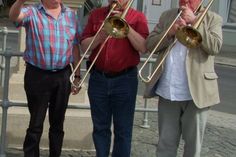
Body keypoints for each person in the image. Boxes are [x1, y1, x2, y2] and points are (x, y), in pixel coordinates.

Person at [144, 0, 223, 156]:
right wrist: (169, 32)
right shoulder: (167, 16)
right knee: (165, 144)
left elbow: (215, 47)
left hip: (196, 94)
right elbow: (150, 45)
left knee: (192, 147)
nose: (185, 1)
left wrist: (195, 22)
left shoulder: (213, 18)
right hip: (168, 91)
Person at [9, 0, 81, 156]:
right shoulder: (32, 11)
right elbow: (14, 16)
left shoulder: (70, 15)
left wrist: (77, 75)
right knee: (35, 124)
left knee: (58, 125)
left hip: (63, 75)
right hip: (37, 76)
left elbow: (75, 46)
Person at [80, 0, 149, 156]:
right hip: (98, 78)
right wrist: (101, 35)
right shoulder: (96, 15)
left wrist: (127, 27)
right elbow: (84, 46)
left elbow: (143, 47)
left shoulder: (138, 17)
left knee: (123, 130)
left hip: (125, 80)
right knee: (100, 128)